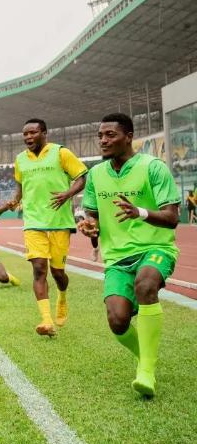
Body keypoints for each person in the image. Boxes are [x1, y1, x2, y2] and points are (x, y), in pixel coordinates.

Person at [80, 114, 179, 397]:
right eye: (100, 136)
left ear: (128, 136)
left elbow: (172, 218)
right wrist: (91, 227)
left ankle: (146, 371)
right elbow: (92, 215)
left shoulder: (153, 167)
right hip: (117, 257)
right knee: (117, 321)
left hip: (155, 248)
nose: (103, 140)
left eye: (110, 134)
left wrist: (140, 212)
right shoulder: (96, 175)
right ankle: (143, 355)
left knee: (146, 286)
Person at [11, 119, 88, 337]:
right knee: (38, 270)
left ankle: (62, 296)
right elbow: (19, 183)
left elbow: (82, 177)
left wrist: (68, 194)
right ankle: (46, 321)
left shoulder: (61, 153)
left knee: (58, 273)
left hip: (58, 222)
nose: (28, 137)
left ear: (44, 133)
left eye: (32, 133)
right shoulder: (20, 160)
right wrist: (15, 199)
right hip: (33, 222)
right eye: (25, 134)